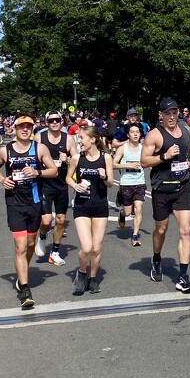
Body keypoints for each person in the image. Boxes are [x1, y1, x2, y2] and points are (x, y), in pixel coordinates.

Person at [0, 114, 58, 309]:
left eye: (28, 127)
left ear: (32, 129)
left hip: (34, 201)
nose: (25, 130)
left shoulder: (40, 148)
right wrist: (2, 180)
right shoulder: (5, 151)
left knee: (29, 244)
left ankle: (22, 271)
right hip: (15, 203)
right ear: (15, 129)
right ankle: (25, 288)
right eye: (21, 127)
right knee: (20, 246)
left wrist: (37, 172)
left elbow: (54, 170)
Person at [141, 97, 190, 293]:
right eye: (168, 113)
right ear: (161, 115)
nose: (172, 117)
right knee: (161, 230)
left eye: (174, 113)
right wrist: (164, 156)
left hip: (182, 187)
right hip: (162, 188)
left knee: (186, 231)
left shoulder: (185, 131)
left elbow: (188, 149)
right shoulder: (154, 135)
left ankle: (183, 276)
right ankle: (156, 258)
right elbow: (144, 161)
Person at [67, 124, 113, 294]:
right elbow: (67, 177)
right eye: (79, 138)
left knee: (96, 247)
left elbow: (110, 183)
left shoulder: (105, 158)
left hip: (100, 205)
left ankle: (93, 278)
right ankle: (81, 272)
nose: (79, 142)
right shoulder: (77, 158)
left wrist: (104, 176)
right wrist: (75, 185)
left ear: (93, 140)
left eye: (82, 138)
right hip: (82, 206)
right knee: (86, 248)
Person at [34, 110, 75, 266]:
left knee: (61, 220)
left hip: (61, 185)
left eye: (57, 120)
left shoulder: (68, 139)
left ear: (61, 122)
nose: (54, 122)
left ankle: (55, 252)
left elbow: (76, 161)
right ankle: (42, 237)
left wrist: (68, 160)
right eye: (51, 121)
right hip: (44, 184)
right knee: (45, 220)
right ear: (47, 122)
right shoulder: (40, 138)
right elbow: (32, 156)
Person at [113, 122, 146, 246]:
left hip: (140, 182)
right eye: (133, 132)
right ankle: (122, 214)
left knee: (138, 209)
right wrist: (127, 165)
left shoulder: (144, 148)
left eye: (137, 132)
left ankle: (135, 235)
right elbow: (112, 164)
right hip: (126, 183)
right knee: (127, 212)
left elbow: (149, 162)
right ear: (128, 134)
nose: (135, 134)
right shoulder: (123, 148)